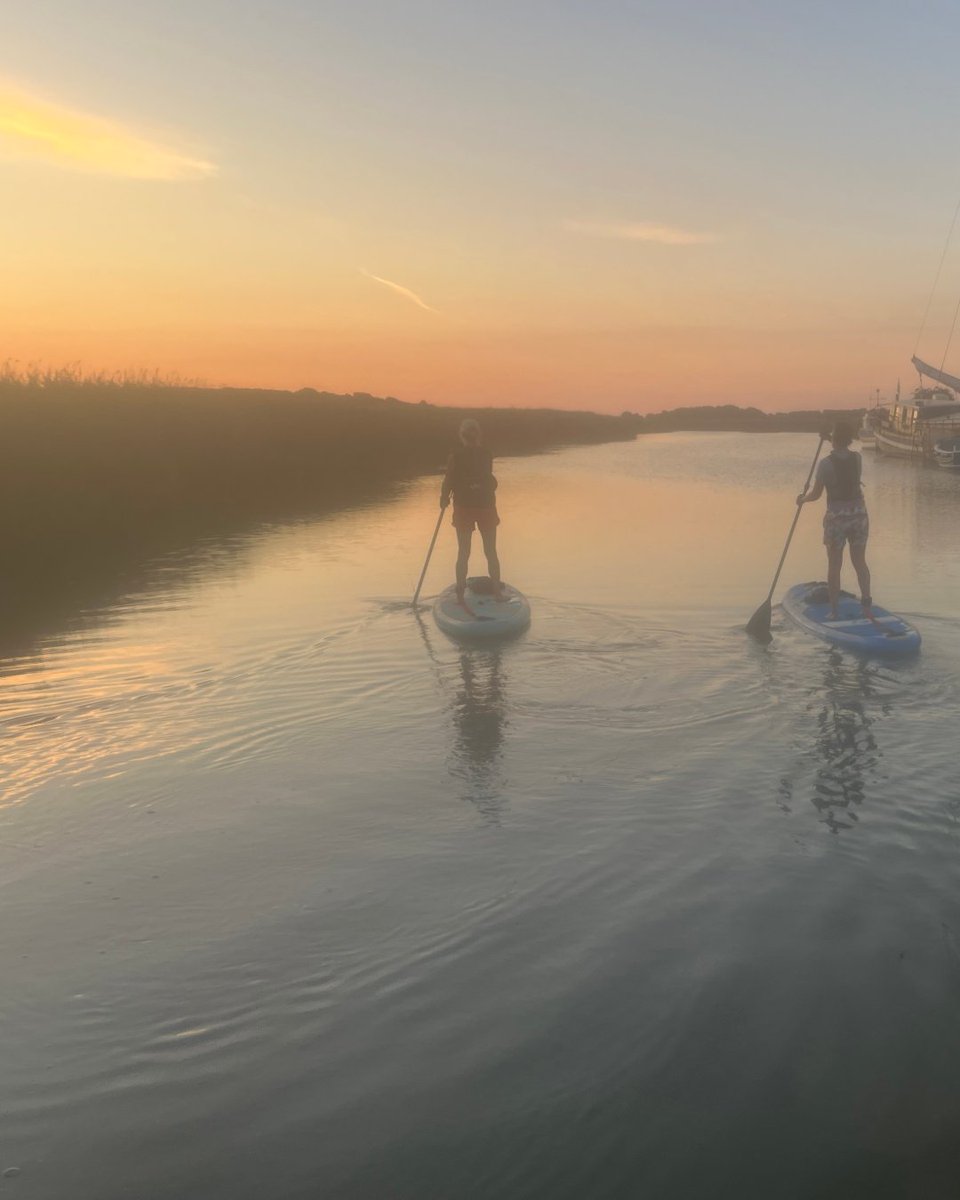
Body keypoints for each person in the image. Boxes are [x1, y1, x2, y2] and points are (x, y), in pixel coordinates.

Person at [796, 421, 872, 620]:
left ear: (834, 437)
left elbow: (816, 494)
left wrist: (802, 499)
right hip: (859, 515)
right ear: (849, 438)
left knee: (834, 565)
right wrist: (830, 437)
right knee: (860, 562)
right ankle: (867, 604)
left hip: (837, 518)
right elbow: (842, 452)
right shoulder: (857, 458)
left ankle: (834, 612)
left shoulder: (825, 464)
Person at [440, 419, 503, 612]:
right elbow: (487, 478)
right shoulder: (486, 454)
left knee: (463, 552)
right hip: (485, 506)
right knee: (490, 551)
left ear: (462, 436)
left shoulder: (455, 456)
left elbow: (449, 480)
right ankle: (497, 593)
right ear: (479, 435)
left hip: (464, 507)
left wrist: (443, 498)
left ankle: (460, 594)